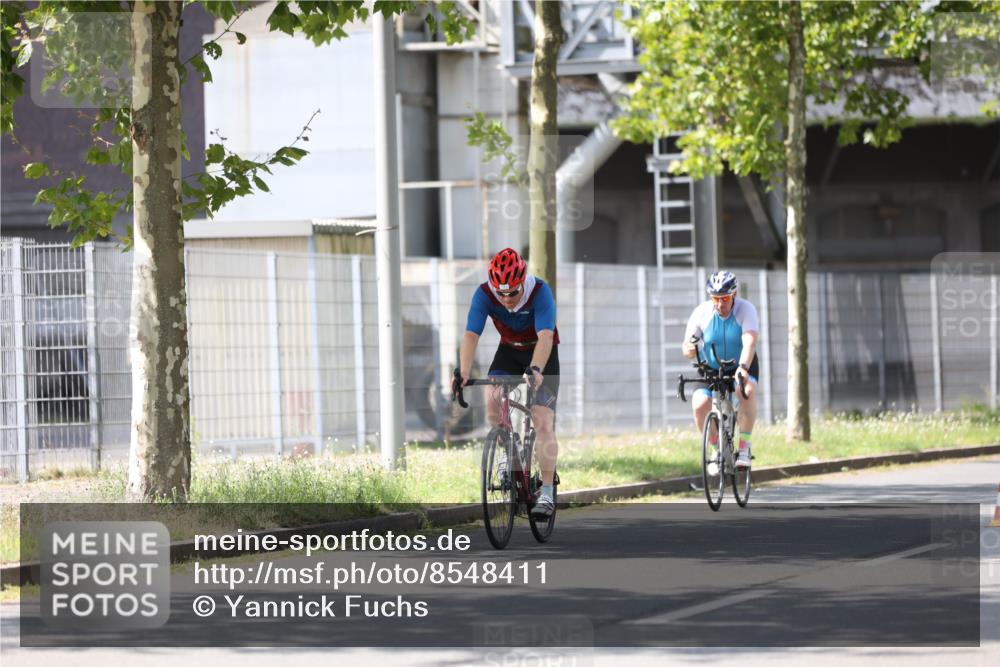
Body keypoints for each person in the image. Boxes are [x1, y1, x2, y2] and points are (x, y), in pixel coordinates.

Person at [454, 248, 560, 516]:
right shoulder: (484, 294)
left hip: (541, 352)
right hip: (510, 351)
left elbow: (546, 336)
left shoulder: (539, 292)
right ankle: (506, 455)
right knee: (492, 399)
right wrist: (463, 372)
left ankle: (546, 493)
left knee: (542, 419)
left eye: (512, 292)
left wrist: (535, 369)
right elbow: (470, 335)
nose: (506, 299)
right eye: (500, 293)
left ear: (522, 281)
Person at [681, 270, 760, 468]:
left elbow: (749, 342)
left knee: (746, 392)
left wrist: (742, 368)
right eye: (715, 299)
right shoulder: (702, 312)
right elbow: (687, 346)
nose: (720, 304)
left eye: (724, 298)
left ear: (733, 295)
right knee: (699, 404)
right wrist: (689, 349)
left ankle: (744, 448)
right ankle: (716, 450)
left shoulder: (745, 309)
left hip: (741, 362)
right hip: (711, 366)